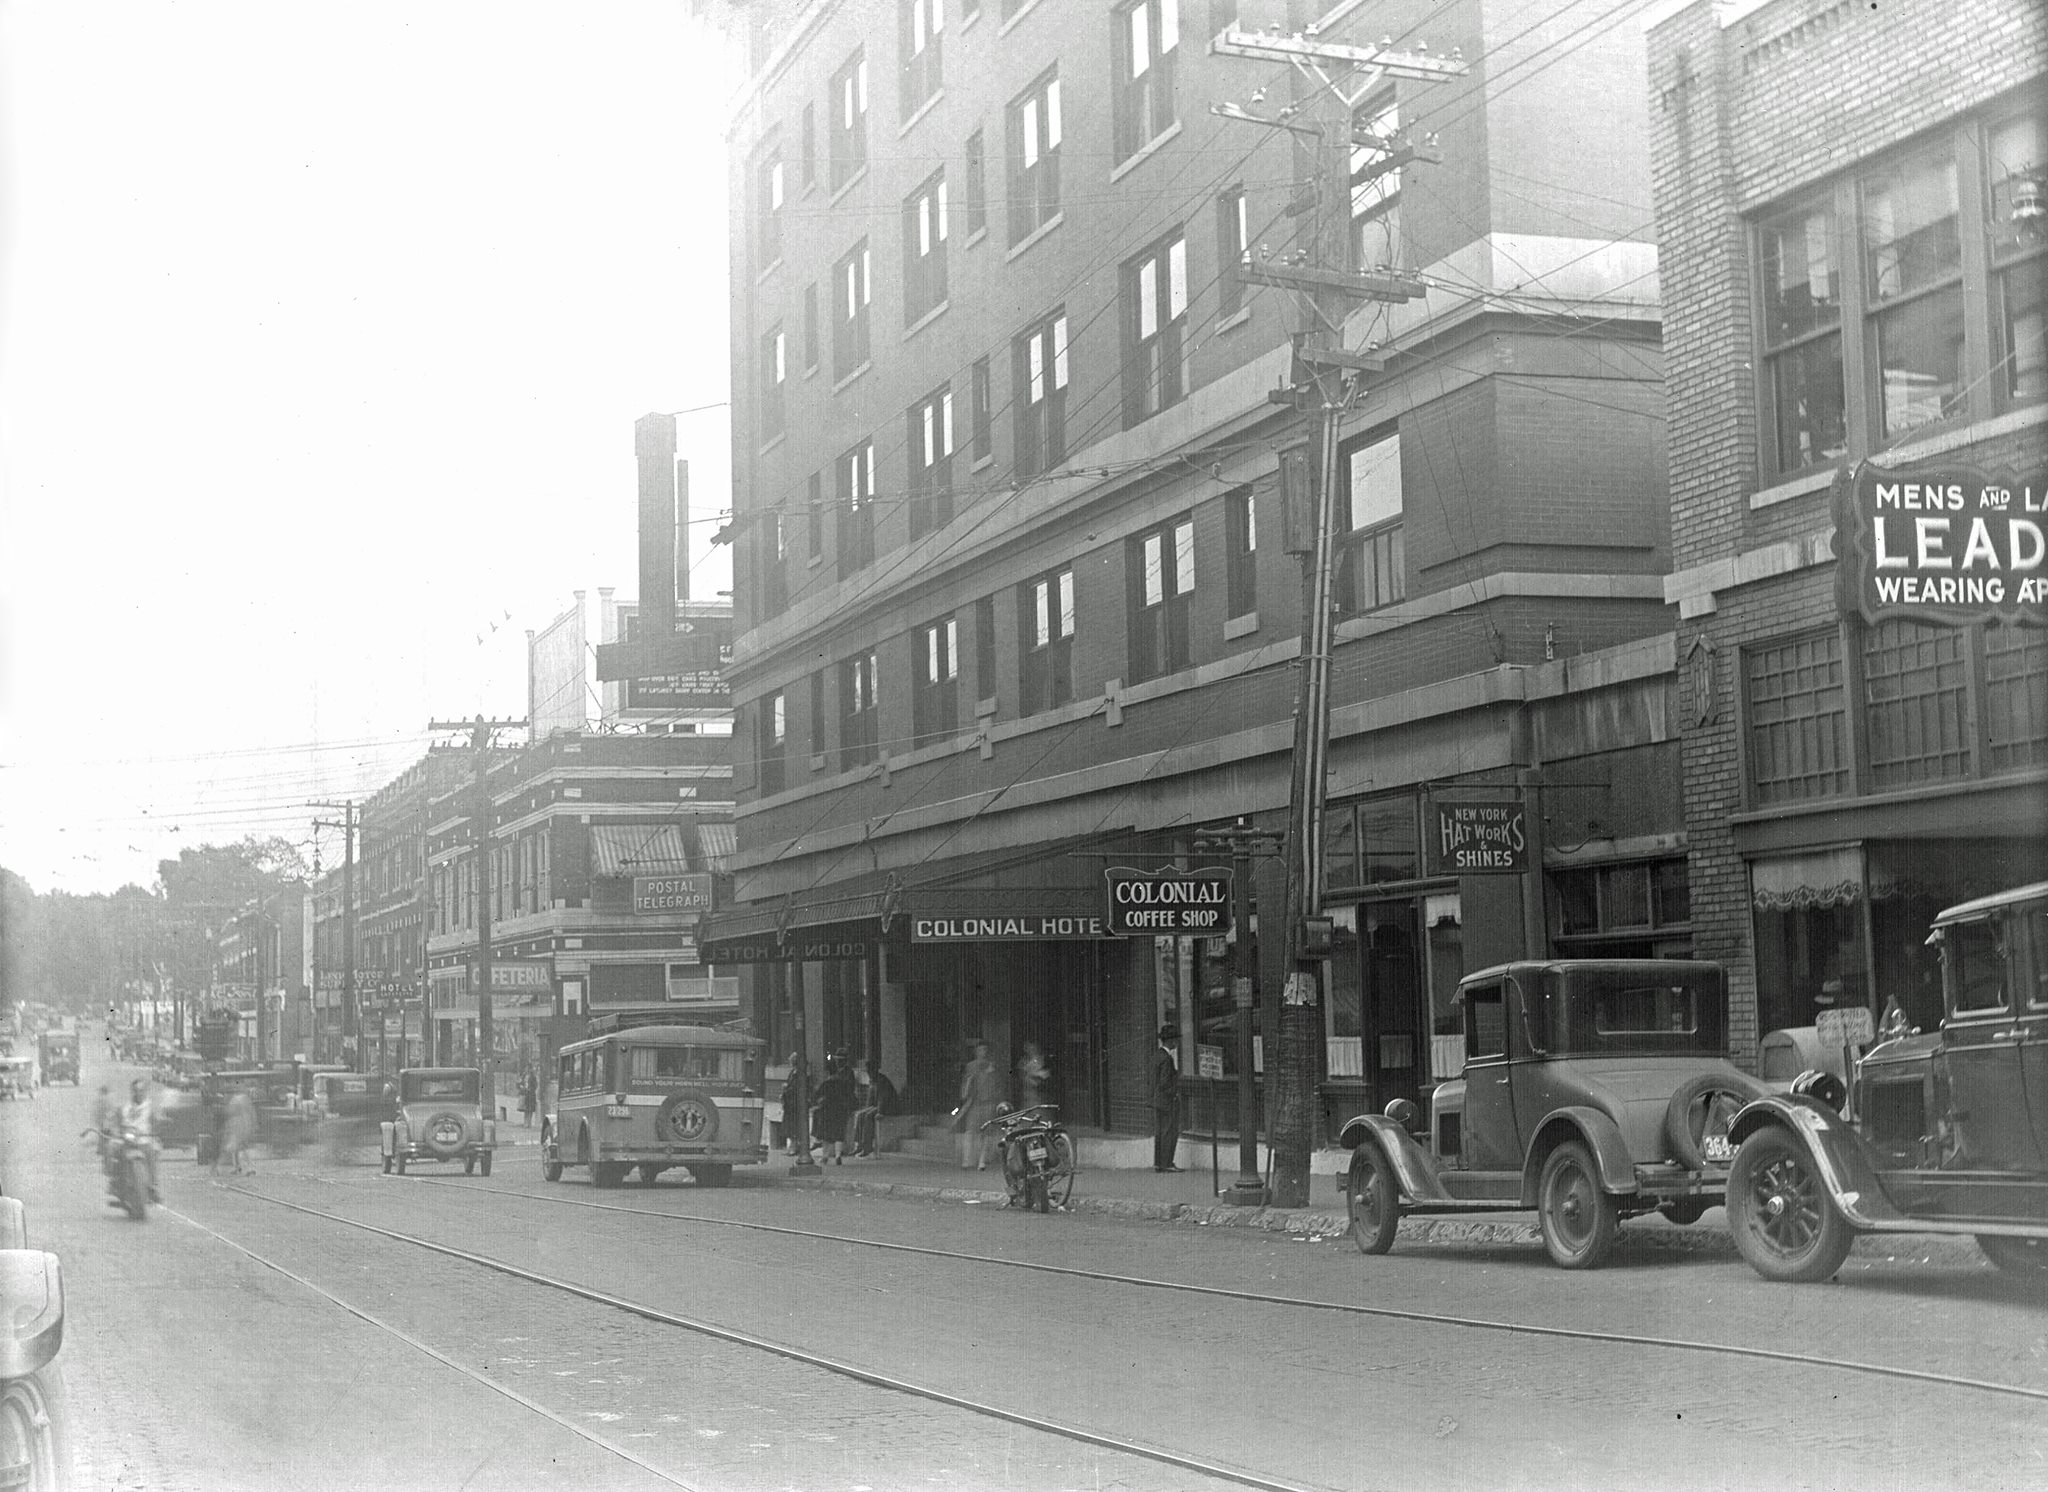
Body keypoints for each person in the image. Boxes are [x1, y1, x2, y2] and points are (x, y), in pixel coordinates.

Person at [957, 1040, 1001, 1171]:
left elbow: (996, 1085)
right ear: (976, 1052)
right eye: (981, 1050)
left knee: (986, 1133)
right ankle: (967, 1160)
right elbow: (967, 1083)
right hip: (975, 1102)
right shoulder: (971, 1066)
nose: (983, 1052)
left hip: (988, 1102)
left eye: (985, 1050)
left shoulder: (991, 1067)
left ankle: (982, 1160)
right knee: (970, 1131)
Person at [119, 1078, 162, 1202]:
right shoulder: (126, 1107)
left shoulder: (150, 1106)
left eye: (142, 1090)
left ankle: (153, 1186)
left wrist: (159, 1124)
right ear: (132, 1092)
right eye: (136, 1090)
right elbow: (119, 1122)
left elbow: (156, 1120)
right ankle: (121, 1183)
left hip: (145, 1139)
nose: (139, 1093)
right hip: (129, 1140)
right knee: (118, 1152)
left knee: (153, 1152)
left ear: (145, 1092)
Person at [809, 1053, 855, 1165]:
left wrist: (817, 1102)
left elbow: (817, 1095)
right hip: (841, 1109)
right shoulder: (842, 1082)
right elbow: (849, 1094)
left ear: (828, 1072)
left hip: (827, 1110)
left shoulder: (826, 1083)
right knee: (839, 1132)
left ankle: (825, 1156)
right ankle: (838, 1155)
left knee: (827, 1134)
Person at [849, 1064, 899, 1157]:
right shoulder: (873, 1081)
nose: (869, 1073)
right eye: (868, 1071)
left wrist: (880, 1112)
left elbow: (883, 1098)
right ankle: (859, 1145)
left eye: (870, 1071)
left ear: (875, 1070)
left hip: (888, 1107)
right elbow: (870, 1099)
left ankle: (867, 1147)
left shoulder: (882, 1080)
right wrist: (866, 1108)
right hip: (877, 1106)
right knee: (860, 1115)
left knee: (868, 1116)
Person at [1151, 1025, 1182, 1172]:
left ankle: (1158, 1163)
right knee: (1169, 1132)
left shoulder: (1157, 1055)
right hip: (1167, 1101)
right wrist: (1174, 1093)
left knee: (1160, 1132)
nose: (1177, 1042)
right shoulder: (1167, 1059)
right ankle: (1168, 1163)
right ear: (1169, 1040)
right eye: (1175, 1039)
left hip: (1158, 1100)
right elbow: (1165, 1082)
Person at [219, 1087, 258, 1176]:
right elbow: (251, 1113)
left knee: (240, 1148)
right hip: (240, 1126)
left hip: (240, 1127)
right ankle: (238, 1167)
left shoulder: (236, 1100)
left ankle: (249, 1168)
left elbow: (230, 1113)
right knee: (235, 1149)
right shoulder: (242, 1099)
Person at [1016, 1042, 1050, 1111]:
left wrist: (1037, 1076)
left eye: (1031, 1047)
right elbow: (1021, 1075)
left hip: (1038, 1096)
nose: (1028, 1049)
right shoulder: (1023, 1061)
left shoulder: (1041, 1059)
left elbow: (1045, 1077)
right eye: (1026, 1047)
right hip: (1026, 1095)